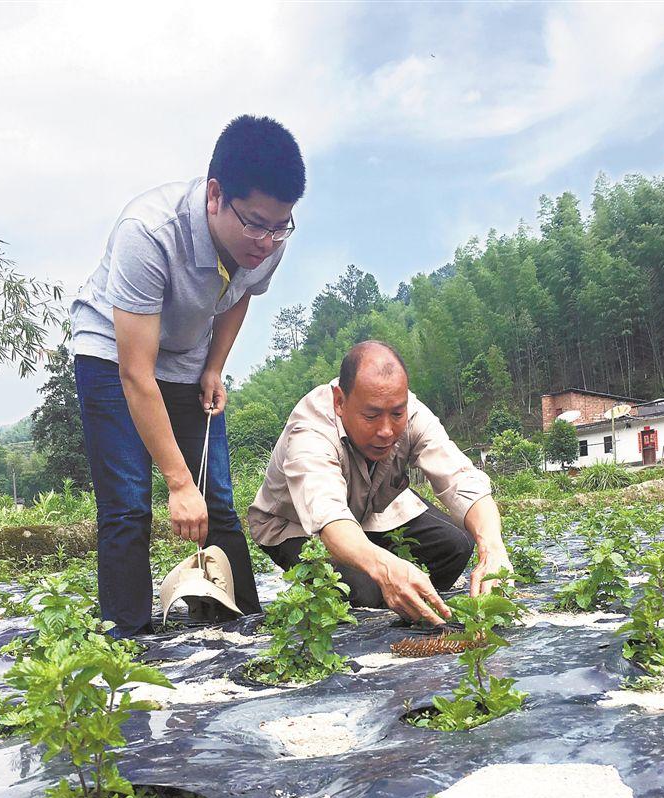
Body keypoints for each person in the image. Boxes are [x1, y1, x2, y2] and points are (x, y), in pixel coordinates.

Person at [71, 115, 306, 637]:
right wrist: (177, 483)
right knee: (130, 502)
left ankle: (236, 621)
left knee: (216, 498)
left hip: (186, 353)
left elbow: (241, 293)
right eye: (255, 223)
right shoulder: (148, 234)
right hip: (113, 355)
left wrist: (214, 366)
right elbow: (136, 375)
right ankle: (126, 639)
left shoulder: (266, 237)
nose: (267, 241)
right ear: (216, 195)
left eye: (279, 226)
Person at [248, 341, 512, 626]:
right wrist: (385, 569)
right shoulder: (310, 431)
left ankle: (411, 597)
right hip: (296, 526)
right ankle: (389, 593)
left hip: (371, 510)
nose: (386, 431)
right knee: (363, 591)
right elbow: (329, 517)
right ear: (339, 401)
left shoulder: (410, 411)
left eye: (397, 414)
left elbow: (460, 478)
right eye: (371, 416)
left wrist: (493, 548)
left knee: (456, 547)